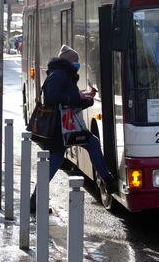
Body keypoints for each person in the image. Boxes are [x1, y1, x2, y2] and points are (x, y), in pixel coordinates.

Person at [30, 45, 117, 213]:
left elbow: (69, 102)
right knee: (59, 159)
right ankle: (107, 179)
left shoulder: (63, 75)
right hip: (59, 128)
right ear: (69, 62)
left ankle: (35, 200)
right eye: (76, 61)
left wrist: (86, 99)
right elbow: (52, 98)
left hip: (65, 126)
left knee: (88, 144)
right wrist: (77, 97)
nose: (78, 64)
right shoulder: (59, 75)